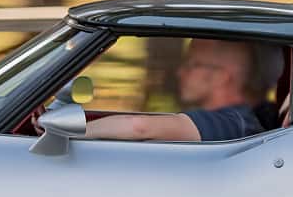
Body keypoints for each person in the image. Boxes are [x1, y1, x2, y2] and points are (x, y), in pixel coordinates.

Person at [83, 38, 268, 142]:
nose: (180, 72)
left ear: (221, 76)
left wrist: (69, 133)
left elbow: (138, 127)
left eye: (192, 65)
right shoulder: (236, 119)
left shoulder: (231, 122)